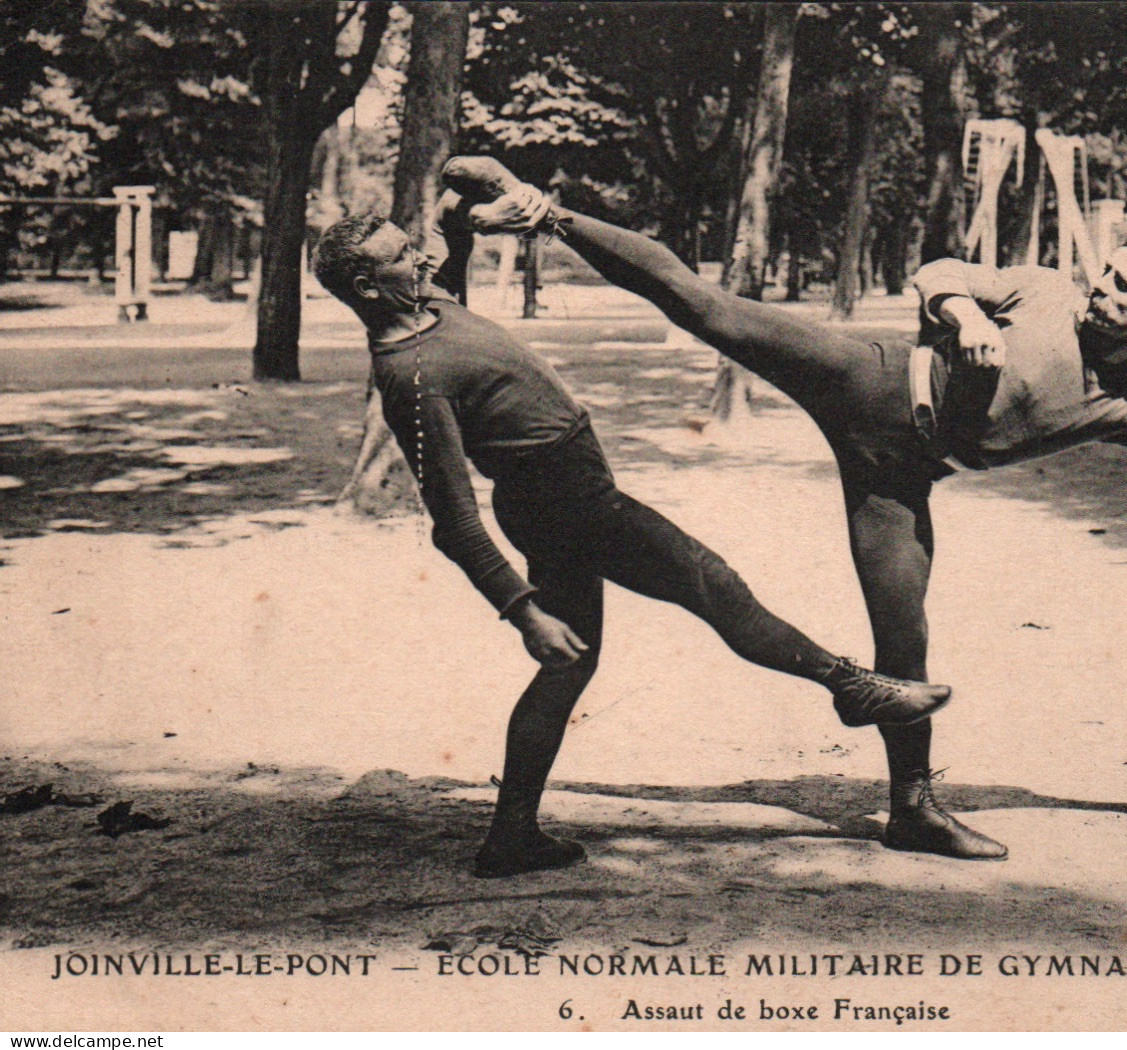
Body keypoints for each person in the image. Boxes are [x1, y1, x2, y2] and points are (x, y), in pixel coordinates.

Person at [442, 156, 1127, 863]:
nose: (1098, 292)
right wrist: (961, 310)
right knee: (708, 307)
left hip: (899, 480)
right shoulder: (1042, 288)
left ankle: (911, 809)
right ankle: (539, 212)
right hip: (869, 382)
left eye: (1121, 293)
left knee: (901, 640)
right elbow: (939, 267)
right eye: (1103, 275)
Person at [310, 199, 955, 879]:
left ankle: (511, 838)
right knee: (713, 583)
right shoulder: (411, 376)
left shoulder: (430, 305)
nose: (421, 259)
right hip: (570, 508)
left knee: (571, 669)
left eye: (414, 246)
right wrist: (522, 610)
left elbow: (449, 261)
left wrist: (455, 213)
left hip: (562, 500)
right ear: (366, 289)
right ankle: (851, 685)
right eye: (402, 257)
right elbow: (453, 519)